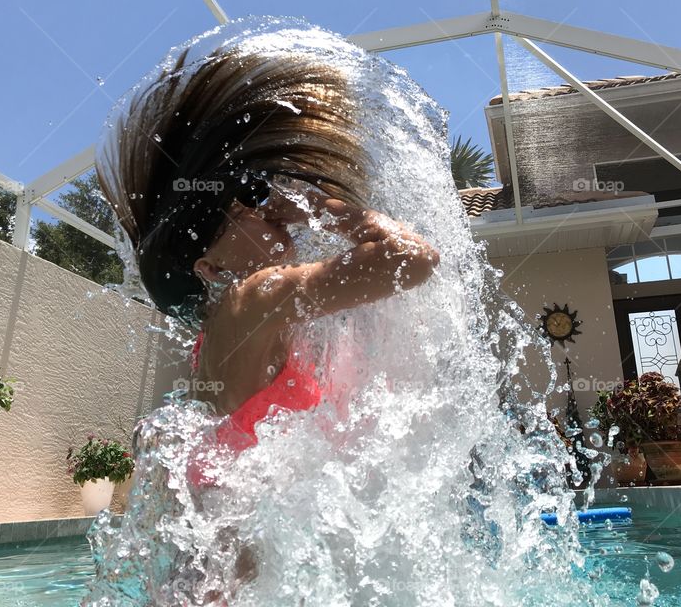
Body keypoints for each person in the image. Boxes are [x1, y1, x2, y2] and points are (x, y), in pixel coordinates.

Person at [97, 43, 440, 468]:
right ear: (208, 267)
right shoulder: (253, 297)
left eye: (249, 198)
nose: (264, 209)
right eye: (240, 212)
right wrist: (318, 206)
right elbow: (412, 257)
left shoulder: (222, 325)